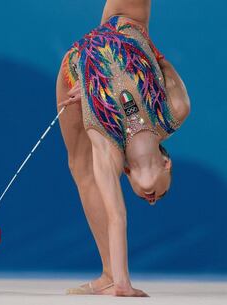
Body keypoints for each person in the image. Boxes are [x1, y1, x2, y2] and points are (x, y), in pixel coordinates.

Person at [56, 0, 190, 297]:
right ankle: (110, 276)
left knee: (81, 167)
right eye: (163, 194)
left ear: (126, 172)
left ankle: (109, 274)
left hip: (77, 67)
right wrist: (137, 54)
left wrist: (91, 80)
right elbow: (163, 65)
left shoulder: (109, 148)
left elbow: (117, 215)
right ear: (167, 164)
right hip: (126, 24)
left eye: (149, 200)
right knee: (134, 19)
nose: (153, 201)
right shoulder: (174, 112)